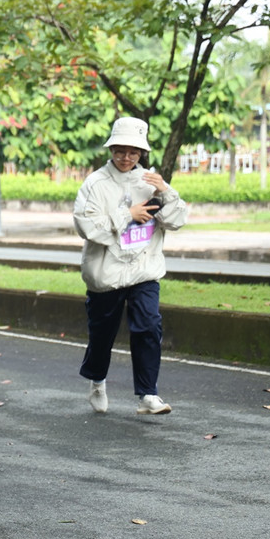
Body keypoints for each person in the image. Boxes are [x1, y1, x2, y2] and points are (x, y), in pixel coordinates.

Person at [74, 116, 189, 416]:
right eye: (120, 151)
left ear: (142, 153)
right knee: (102, 336)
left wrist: (166, 192)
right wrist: (128, 214)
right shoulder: (95, 184)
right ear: (111, 149)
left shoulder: (150, 182)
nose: (126, 158)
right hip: (106, 274)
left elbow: (175, 221)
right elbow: (87, 226)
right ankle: (97, 381)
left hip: (143, 270)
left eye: (133, 152)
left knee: (149, 326)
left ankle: (148, 394)